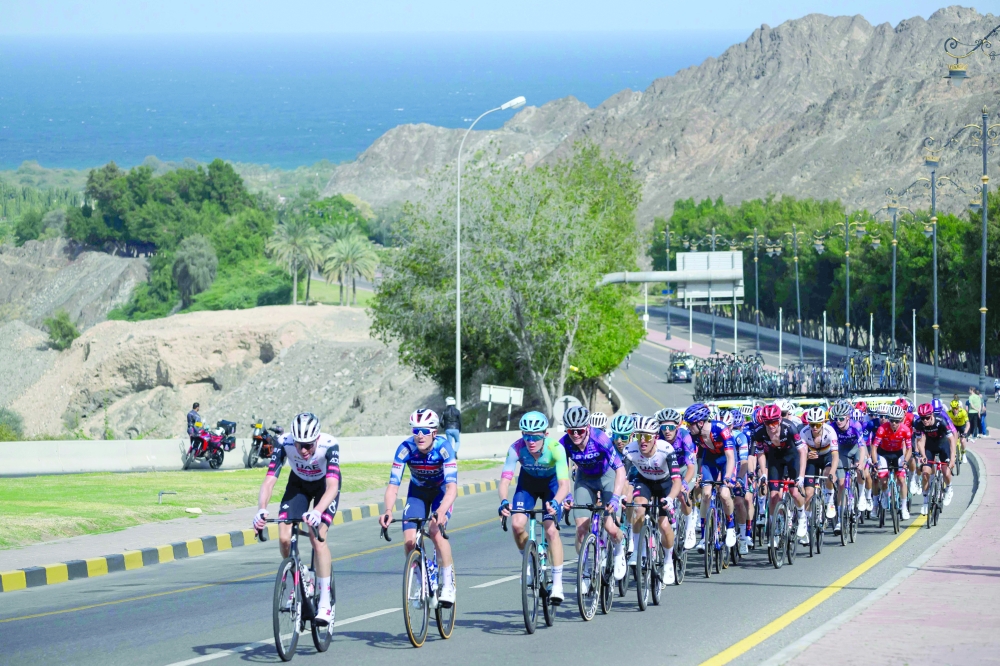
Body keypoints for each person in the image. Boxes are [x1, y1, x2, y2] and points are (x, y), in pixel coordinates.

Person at [253, 413, 341, 625]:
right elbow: (269, 482)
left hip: (324, 487)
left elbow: (333, 487)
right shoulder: (284, 443)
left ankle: (325, 604)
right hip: (298, 484)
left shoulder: (329, 445)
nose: (303, 451)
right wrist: (261, 509)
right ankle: (302, 578)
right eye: (300, 445)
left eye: (308, 445)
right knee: (284, 538)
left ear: (317, 439)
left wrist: (318, 511)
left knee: (316, 536)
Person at [379, 409, 458, 606]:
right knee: (409, 542)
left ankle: (448, 584)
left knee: (435, 531)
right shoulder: (405, 449)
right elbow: (393, 486)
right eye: (416, 430)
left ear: (434, 432)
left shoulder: (444, 448)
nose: (419, 435)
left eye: (424, 430)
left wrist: (440, 511)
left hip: (441, 492)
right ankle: (421, 581)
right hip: (418, 493)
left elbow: (452, 488)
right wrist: (388, 510)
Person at [498, 411, 571, 604]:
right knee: (517, 524)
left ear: (545, 435)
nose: (531, 441)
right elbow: (505, 480)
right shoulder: (516, 448)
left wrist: (556, 502)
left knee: (551, 530)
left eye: (536, 436)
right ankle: (529, 561)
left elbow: (565, 485)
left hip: (552, 486)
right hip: (527, 485)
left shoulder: (556, 449)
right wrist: (504, 501)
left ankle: (557, 584)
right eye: (526, 435)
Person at [560, 405, 627, 590]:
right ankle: (585, 572)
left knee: (610, 527)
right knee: (581, 528)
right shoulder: (564, 443)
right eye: (570, 431)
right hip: (584, 480)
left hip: (607, 477)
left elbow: (620, 469)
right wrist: (565, 495)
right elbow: (560, 472)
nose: (575, 434)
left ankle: (620, 551)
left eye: (580, 430)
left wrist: (615, 497)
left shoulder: (601, 439)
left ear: (587, 428)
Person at [623, 416, 682, 585]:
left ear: (655, 437)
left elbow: (677, 480)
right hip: (645, 482)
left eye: (647, 436)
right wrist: (621, 495)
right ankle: (637, 552)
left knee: (664, 525)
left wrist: (670, 499)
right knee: (638, 508)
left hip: (665, 484)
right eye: (639, 436)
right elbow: (624, 479)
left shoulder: (666, 449)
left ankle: (669, 562)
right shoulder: (630, 450)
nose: (643, 440)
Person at [684, 403, 738, 553]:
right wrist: (696, 476)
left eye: (690, 424)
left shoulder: (720, 428)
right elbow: (694, 457)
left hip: (726, 459)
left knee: (724, 493)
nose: (688, 427)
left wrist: (727, 476)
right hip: (710, 461)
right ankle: (703, 536)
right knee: (706, 493)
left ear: (700, 423)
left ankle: (731, 525)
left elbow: (730, 456)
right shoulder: (693, 435)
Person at [750, 403, 808, 540]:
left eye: (774, 422)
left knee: (794, 492)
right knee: (774, 494)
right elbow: (760, 453)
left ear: (780, 420)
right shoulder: (759, 432)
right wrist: (763, 473)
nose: (771, 426)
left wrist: (801, 476)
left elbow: (802, 452)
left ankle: (802, 516)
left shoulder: (790, 428)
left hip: (792, 456)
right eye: (768, 423)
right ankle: (774, 526)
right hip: (775, 458)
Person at [655, 407, 698, 549]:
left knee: (681, 493)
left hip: (685, 467)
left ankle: (690, 527)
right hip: (668, 469)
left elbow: (691, 466)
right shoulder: (658, 437)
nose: (667, 431)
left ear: (678, 426)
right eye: (663, 427)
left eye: (670, 427)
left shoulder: (685, 436)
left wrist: (685, 482)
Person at [797, 407, 839, 545]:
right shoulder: (803, 432)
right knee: (808, 493)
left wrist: (833, 472)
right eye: (811, 424)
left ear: (823, 423)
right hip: (812, 458)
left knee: (828, 474)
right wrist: (807, 455)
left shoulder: (830, 431)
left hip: (827, 456)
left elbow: (835, 455)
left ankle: (830, 500)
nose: (814, 428)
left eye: (818, 425)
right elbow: (801, 454)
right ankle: (807, 522)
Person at [829, 400, 871, 535]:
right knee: (841, 484)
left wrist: (861, 463)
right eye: (836, 419)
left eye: (841, 418)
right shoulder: (832, 427)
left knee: (861, 469)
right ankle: (840, 520)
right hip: (842, 452)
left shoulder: (855, 425)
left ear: (848, 417)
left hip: (856, 449)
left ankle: (862, 495)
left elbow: (862, 446)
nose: (838, 421)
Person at [871, 404, 913, 521]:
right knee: (882, 480)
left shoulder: (905, 430)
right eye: (891, 420)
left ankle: (904, 508)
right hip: (884, 454)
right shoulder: (882, 429)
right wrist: (875, 463)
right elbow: (874, 447)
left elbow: (909, 449)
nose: (893, 423)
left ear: (900, 420)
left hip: (898, 454)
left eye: (896, 420)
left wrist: (905, 461)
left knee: (901, 480)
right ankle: (885, 495)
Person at [914, 403, 957, 514]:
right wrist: (922, 455)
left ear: (932, 415)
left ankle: (949, 488)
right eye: (922, 418)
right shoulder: (918, 423)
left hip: (943, 445)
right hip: (930, 446)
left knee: (946, 472)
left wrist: (952, 458)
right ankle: (925, 501)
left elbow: (952, 440)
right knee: (925, 473)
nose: (925, 420)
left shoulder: (941, 421)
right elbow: (920, 441)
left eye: (927, 417)